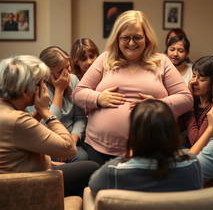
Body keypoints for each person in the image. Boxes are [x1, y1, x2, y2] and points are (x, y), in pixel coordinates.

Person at [73, 10, 193, 166]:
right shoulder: (105, 59)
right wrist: (98, 98)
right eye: (126, 38)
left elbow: (186, 98)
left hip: (149, 150)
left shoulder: (161, 61)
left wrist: (158, 105)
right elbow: (78, 93)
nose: (131, 43)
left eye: (137, 37)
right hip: (99, 148)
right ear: (117, 38)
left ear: (147, 38)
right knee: (101, 190)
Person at [0, 55, 99, 196]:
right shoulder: (16, 119)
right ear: (25, 90)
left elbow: (25, 137)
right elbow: (69, 148)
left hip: (19, 175)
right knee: (91, 167)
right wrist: (45, 111)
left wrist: (48, 162)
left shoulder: (6, 109)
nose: (44, 87)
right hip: (25, 185)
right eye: (40, 83)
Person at [89, 99, 202, 194]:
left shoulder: (113, 172)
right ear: (172, 131)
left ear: (134, 133)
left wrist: (127, 155)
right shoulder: (192, 165)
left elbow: (93, 186)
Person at [39, 46, 88, 162]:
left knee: (83, 158)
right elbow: (47, 126)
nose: (67, 73)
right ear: (46, 73)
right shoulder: (38, 89)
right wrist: (59, 91)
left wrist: (73, 140)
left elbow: (80, 117)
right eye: (60, 71)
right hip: (49, 142)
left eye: (68, 66)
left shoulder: (74, 79)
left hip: (71, 139)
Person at [185, 56, 213, 146]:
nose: (194, 82)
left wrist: (189, 106)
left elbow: (196, 142)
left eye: (202, 79)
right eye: (193, 75)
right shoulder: (195, 100)